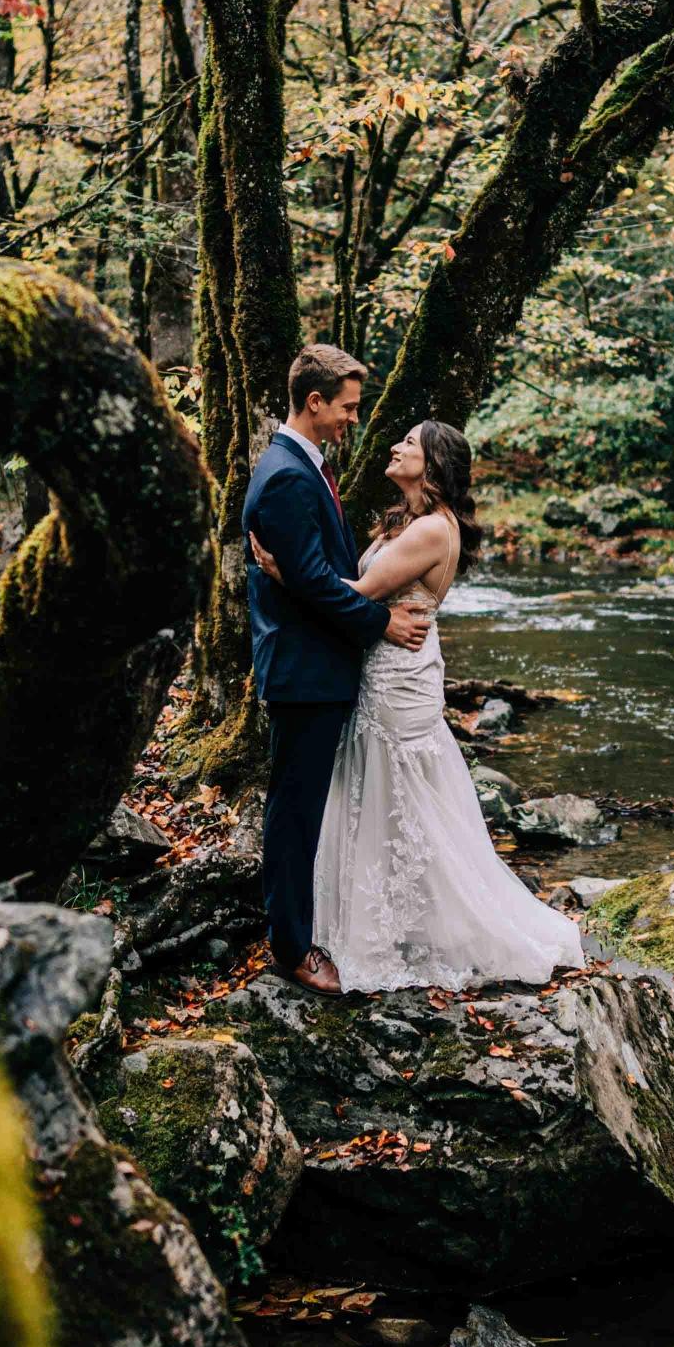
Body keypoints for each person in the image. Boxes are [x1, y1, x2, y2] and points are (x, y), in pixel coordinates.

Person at [250, 411, 583, 994]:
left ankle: (411, 925)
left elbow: (355, 593)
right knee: (380, 794)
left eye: (410, 443)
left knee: (397, 794)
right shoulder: (413, 521)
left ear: (432, 465)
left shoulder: (432, 531)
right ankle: (378, 916)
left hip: (399, 677)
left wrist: (282, 573)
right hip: (385, 667)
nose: (397, 446)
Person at [243, 344, 430, 993]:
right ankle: (291, 947)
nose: (356, 417)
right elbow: (321, 584)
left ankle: (297, 927)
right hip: (304, 671)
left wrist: (293, 578)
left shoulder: (299, 465)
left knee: (300, 806)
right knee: (294, 811)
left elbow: (311, 574)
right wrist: (382, 623)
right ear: (315, 402)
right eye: (348, 407)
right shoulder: (290, 474)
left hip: (311, 666)